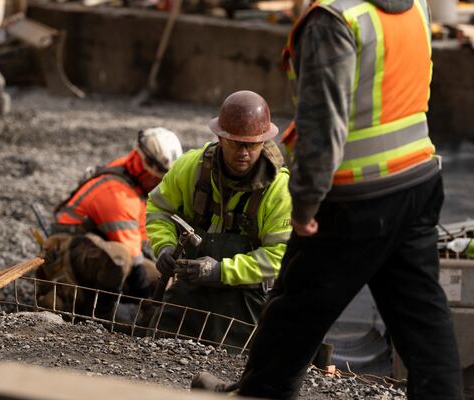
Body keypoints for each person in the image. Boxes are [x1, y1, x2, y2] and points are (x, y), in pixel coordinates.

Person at [194, 0, 463, 398]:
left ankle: (259, 394)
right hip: (417, 179)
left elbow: (323, 125)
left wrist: (305, 200)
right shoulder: (413, 5)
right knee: (422, 317)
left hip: (356, 193)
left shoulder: (335, 19)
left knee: (297, 304)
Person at [146, 90, 292, 350]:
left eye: (252, 144)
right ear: (220, 137)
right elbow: (159, 209)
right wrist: (164, 247)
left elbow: (280, 257)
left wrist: (220, 271)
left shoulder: (279, 191)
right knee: (156, 344)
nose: (244, 153)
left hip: (246, 299)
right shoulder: (191, 167)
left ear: (264, 141)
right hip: (190, 289)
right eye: (236, 143)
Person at [36, 127, 183, 318]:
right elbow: (133, 257)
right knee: (118, 257)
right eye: (161, 178)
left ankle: (127, 310)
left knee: (161, 277)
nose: (161, 185)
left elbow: (141, 240)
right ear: (148, 167)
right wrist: (143, 298)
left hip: (92, 248)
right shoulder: (117, 193)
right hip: (66, 252)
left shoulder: (130, 174)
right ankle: (99, 315)